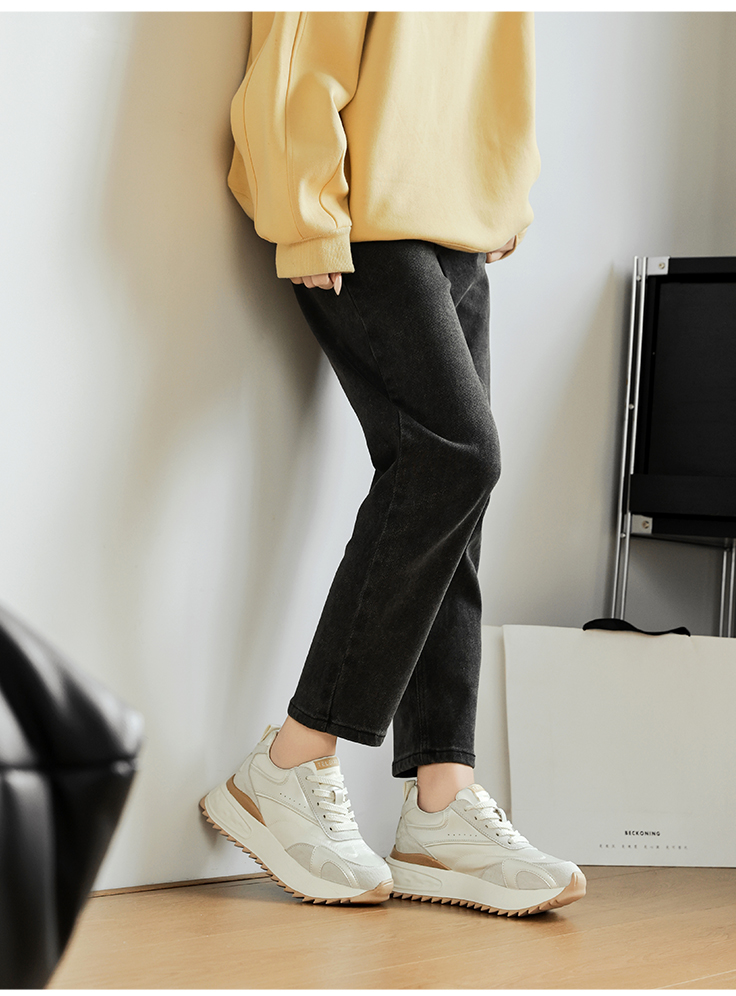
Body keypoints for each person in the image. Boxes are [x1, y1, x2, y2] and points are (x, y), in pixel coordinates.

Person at [200, 11, 586, 916]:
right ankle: (290, 762)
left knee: (455, 497)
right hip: (362, 209)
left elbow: (492, 54)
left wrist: (497, 189)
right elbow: (300, 39)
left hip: (456, 217)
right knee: (458, 459)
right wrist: (304, 207)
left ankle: (441, 800)